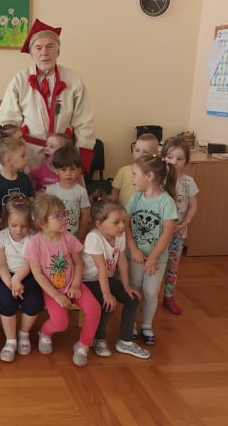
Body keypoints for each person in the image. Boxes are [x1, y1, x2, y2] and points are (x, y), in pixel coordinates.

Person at [0, 18, 95, 172]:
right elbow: (8, 121)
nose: (44, 53)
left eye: (50, 46)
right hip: (29, 155)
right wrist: (11, 156)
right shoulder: (19, 80)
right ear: (31, 54)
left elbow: (84, 123)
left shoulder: (74, 80)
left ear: (58, 51)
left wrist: (81, 159)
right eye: (38, 48)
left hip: (63, 156)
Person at [24, 194, 101, 366]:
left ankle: (83, 345)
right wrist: (56, 295)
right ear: (43, 222)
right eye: (57, 216)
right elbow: (38, 275)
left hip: (73, 284)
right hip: (52, 290)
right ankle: (45, 332)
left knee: (94, 309)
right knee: (60, 323)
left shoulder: (68, 237)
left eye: (64, 214)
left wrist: (75, 284)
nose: (64, 218)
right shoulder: (34, 244)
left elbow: (78, 262)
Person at [82, 191, 150, 359]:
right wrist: (107, 294)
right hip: (89, 281)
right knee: (108, 303)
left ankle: (125, 341)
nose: (122, 226)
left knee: (133, 299)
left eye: (123, 221)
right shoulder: (93, 238)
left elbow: (122, 262)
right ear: (100, 224)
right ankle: (99, 338)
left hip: (107, 278)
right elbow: (101, 268)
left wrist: (126, 286)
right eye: (116, 222)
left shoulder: (119, 236)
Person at [125, 154, 178, 345]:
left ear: (149, 176)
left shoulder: (167, 202)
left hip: (157, 260)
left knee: (150, 292)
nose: (132, 178)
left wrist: (154, 257)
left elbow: (168, 232)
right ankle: (131, 324)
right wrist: (134, 249)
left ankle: (146, 326)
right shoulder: (135, 198)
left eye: (134, 174)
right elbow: (125, 225)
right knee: (134, 289)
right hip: (136, 257)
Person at [0, 194, 43, 361]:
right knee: (6, 302)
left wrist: (17, 280)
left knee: (34, 302)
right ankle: (11, 340)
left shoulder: (34, 237)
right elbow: (1, 265)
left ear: (30, 223)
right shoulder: (1, 237)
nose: (19, 230)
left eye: (24, 226)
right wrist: (11, 283)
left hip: (29, 274)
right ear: (6, 220)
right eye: (14, 225)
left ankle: (23, 333)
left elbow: (30, 262)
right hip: (7, 277)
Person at [161, 136, 199, 315]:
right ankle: (148, 296)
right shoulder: (158, 179)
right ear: (163, 158)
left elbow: (193, 205)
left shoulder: (188, 182)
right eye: (170, 157)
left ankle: (169, 297)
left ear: (186, 161)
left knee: (172, 266)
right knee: (156, 264)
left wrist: (185, 223)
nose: (174, 162)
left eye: (180, 158)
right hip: (159, 233)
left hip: (178, 233)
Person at [0, 137, 34, 234]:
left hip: (22, 228)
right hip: (0, 230)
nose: (27, 158)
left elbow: (31, 201)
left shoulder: (25, 179)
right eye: (22, 156)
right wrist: (0, 223)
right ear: (9, 161)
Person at [45, 146, 90, 241]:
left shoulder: (81, 192)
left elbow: (85, 216)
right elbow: (45, 214)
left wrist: (81, 238)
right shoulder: (50, 191)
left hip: (74, 238)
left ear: (79, 170)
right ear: (56, 170)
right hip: (54, 238)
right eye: (64, 169)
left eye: (72, 169)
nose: (68, 173)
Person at [111, 133, 160, 206]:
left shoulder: (156, 175)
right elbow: (115, 194)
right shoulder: (123, 171)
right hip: (123, 211)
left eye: (145, 152)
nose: (140, 155)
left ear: (156, 155)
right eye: (137, 150)